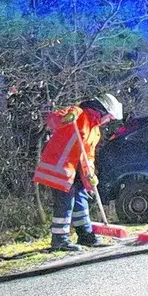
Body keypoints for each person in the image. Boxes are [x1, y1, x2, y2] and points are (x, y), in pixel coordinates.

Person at [33, 93, 123, 252]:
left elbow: (88, 156)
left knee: (81, 201)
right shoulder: (78, 113)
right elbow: (53, 118)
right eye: (109, 117)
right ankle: (60, 240)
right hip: (60, 168)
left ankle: (85, 235)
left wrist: (91, 175)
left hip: (76, 171)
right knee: (65, 204)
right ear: (102, 110)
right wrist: (67, 116)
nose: (108, 121)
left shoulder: (94, 130)